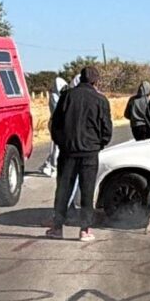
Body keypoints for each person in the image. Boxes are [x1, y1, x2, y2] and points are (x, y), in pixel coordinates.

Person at [48, 68, 114, 241]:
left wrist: (61, 142)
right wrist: (99, 144)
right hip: (90, 153)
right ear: (95, 81)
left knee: (63, 190)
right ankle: (85, 230)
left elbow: (55, 124)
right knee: (87, 191)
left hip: (68, 151)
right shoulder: (101, 100)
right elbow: (107, 129)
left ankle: (57, 227)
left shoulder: (66, 96)